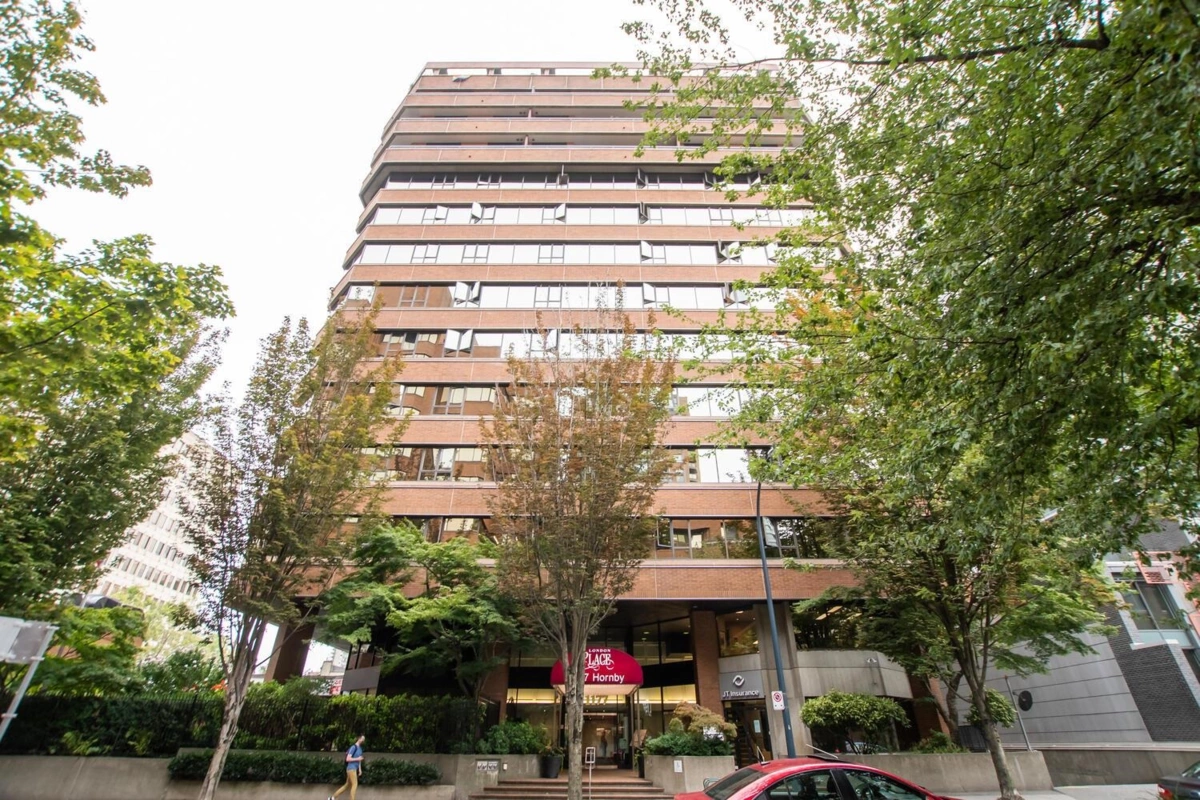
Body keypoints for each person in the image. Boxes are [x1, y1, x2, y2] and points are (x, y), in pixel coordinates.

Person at [329, 735, 365, 800]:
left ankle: (332, 797)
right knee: (354, 785)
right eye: (362, 739)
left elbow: (359, 759)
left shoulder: (360, 749)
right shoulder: (353, 747)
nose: (363, 740)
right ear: (359, 738)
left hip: (354, 769)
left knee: (346, 785)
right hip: (351, 768)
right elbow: (348, 759)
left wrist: (360, 769)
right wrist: (357, 759)